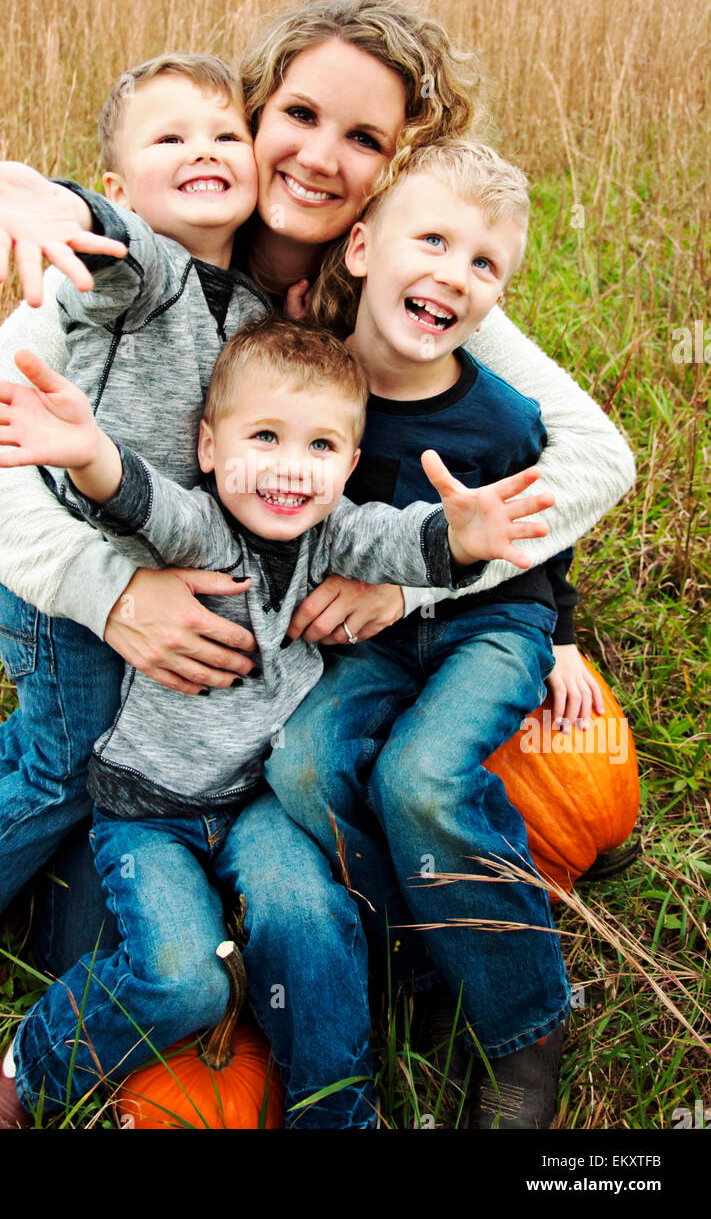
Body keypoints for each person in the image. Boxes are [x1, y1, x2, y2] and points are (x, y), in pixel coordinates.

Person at [0, 0, 633, 1002]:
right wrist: (111, 595)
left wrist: (411, 590)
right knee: (75, 894)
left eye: (361, 138)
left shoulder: (407, 270)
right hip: (110, 611)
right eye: (299, 116)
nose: (317, 157)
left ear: (393, 167)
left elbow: (594, 456)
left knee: (136, 887)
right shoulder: (145, 254)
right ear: (255, 109)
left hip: (256, 661)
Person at [0, 311, 555, 1128]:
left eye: (320, 448)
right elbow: (141, 501)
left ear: (348, 462)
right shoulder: (198, 529)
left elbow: (402, 541)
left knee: (304, 917)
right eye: (263, 436)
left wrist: (464, 534)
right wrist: (88, 452)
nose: (290, 470)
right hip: (149, 811)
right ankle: (27, 1075)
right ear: (208, 449)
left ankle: (334, 1114)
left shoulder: (334, 533)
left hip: (257, 807)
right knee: (181, 978)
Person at [267, 137, 594, 1129]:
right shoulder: (322, 398)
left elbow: (540, 536)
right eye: (433, 240)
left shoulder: (498, 416)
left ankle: (525, 1025)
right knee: (304, 767)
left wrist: (564, 639)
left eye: (482, 263)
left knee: (420, 776)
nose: (452, 272)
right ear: (359, 248)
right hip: (372, 639)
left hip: (489, 622)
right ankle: (415, 948)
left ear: (497, 297)